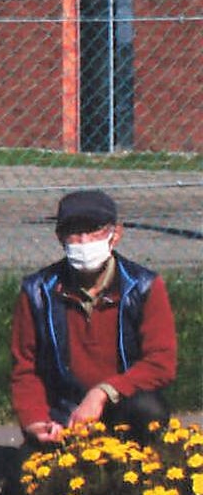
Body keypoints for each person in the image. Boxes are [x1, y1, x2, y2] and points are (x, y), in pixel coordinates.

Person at [11, 189, 176, 446]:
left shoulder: (144, 287)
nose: (84, 240)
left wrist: (103, 393)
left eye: (94, 230)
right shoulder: (37, 292)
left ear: (115, 234)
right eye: (74, 232)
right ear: (60, 238)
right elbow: (25, 368)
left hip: (123, 408)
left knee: (149, 409)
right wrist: (34, 420)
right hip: (63, 415)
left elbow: (161, 362)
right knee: (26, 479)